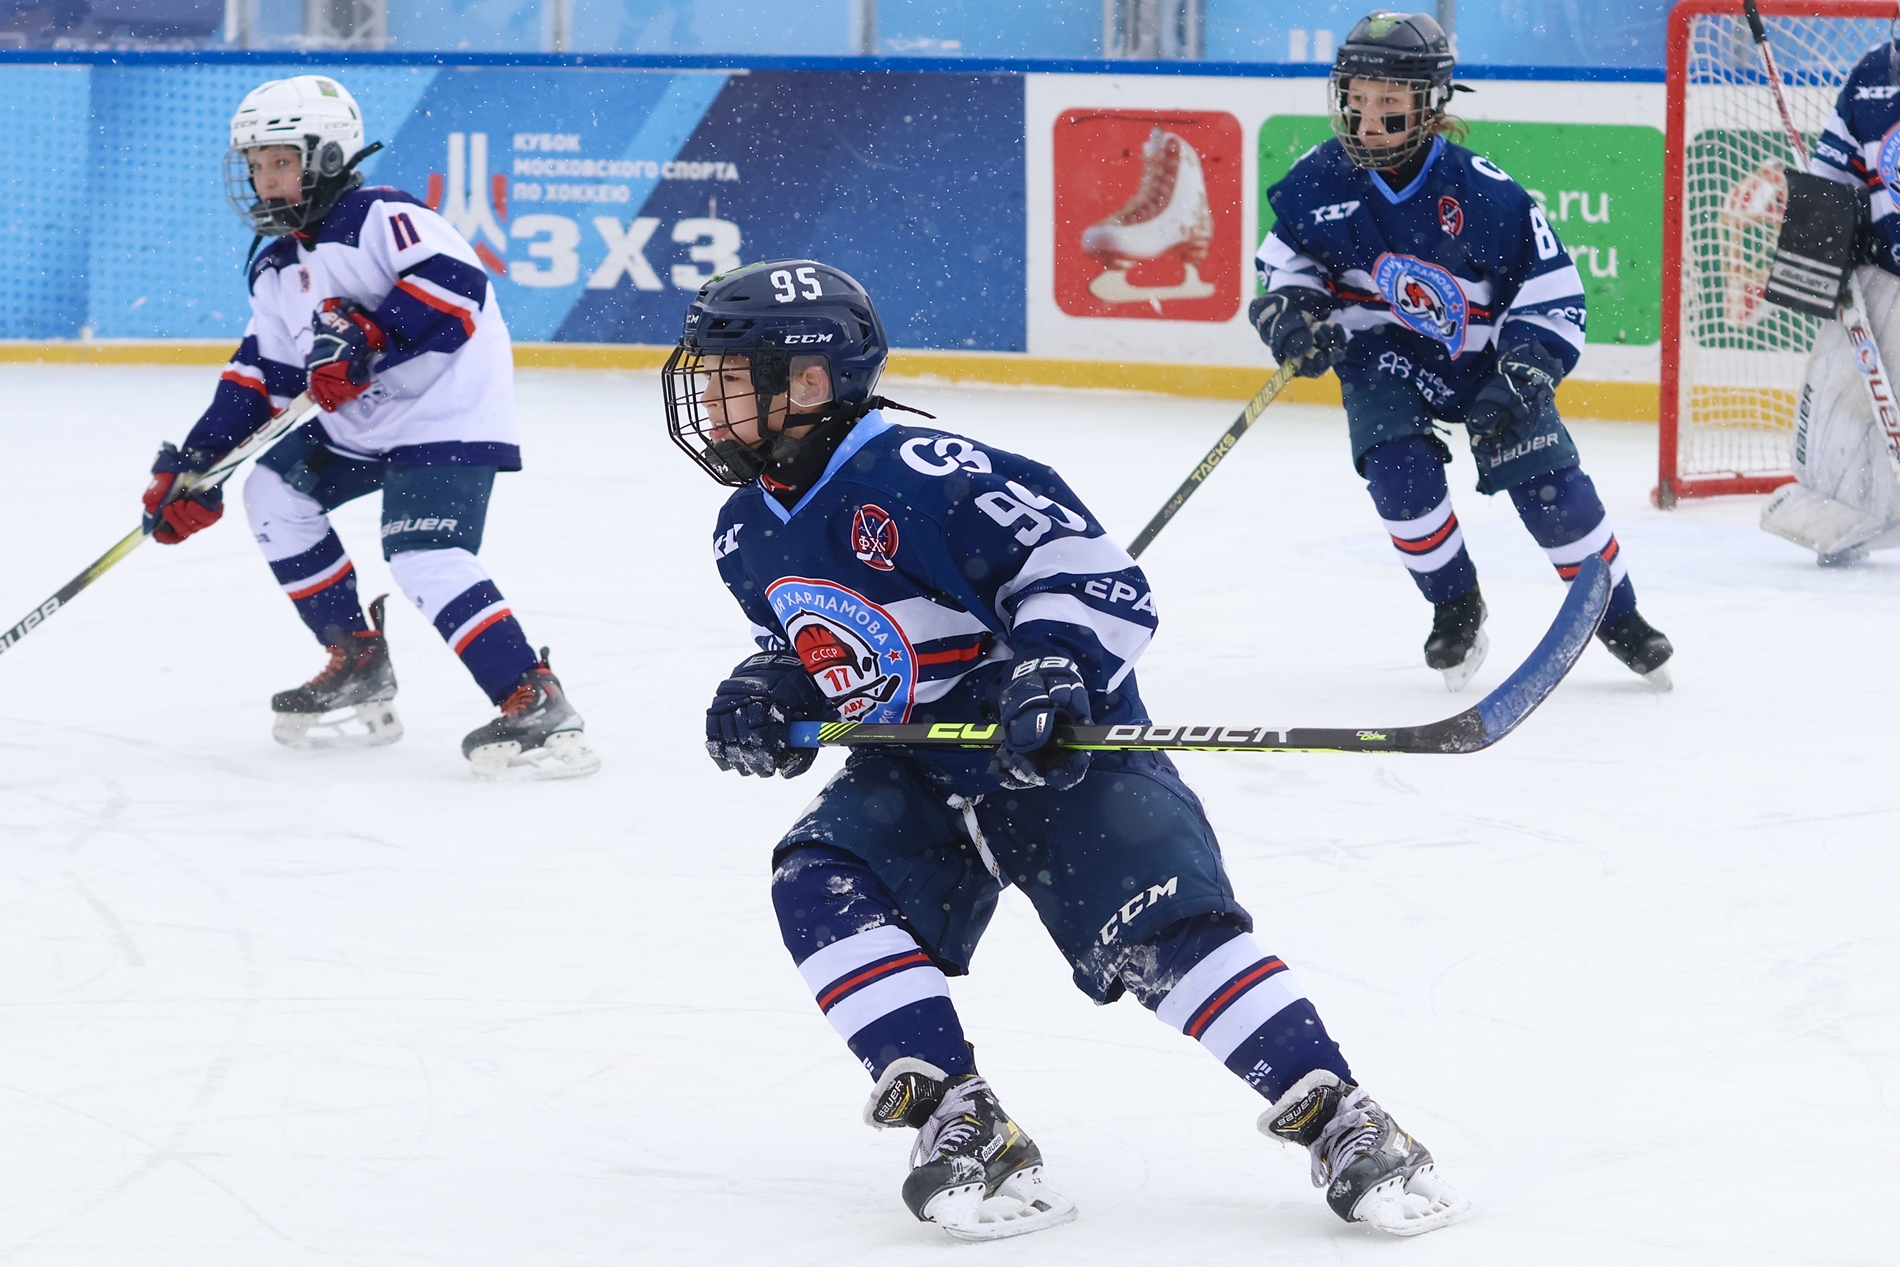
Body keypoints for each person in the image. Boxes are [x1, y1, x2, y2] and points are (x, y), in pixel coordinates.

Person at [669, 258, 1468, 1241]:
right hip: (915, 767)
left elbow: (1088, 573)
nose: (705, 394)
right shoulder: (742, 530)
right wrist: (774, 689)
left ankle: (1345, 1116)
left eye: (727, 371)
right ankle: (959, 1114)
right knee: (819, 879)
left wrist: (1052, 661)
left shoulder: (922, 473)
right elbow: (826, 648)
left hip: (1059, 761)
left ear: (808, 380)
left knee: (1166, 937)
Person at [139, 75, 596, 780]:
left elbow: (457, 288)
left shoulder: (379, 217)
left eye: (281, 161)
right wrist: (198, 464)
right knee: (272, 493)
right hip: (361, 425)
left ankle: (530, 696)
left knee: (422, 556)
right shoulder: (273, 263)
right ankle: (357, 658)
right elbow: (261, 372)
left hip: (446, 413)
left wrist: (371, 337)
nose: (265, 180)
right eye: (257, 164)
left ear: (326, 157)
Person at [1253, 10, 1673, 690]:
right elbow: (1287, 263)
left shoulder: (1485, 193)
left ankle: (1618, 617)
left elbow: (1554, 293)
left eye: (1388, 104)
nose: (1367, 121)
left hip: (1486, 363)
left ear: (1430, 105)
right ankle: (1455, 605)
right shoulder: (1320, 177)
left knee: (1553, 496)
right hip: (1383, 354)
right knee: (1399, 477)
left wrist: (1526, 367)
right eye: (1356, 101)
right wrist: (1294, 311)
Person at [1756, 32, 1900, 561]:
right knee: (1836, 428)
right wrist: (1825, 240)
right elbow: (1834, 175)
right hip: (1886, 278)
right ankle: (1850, 509)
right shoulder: (1871, 78)